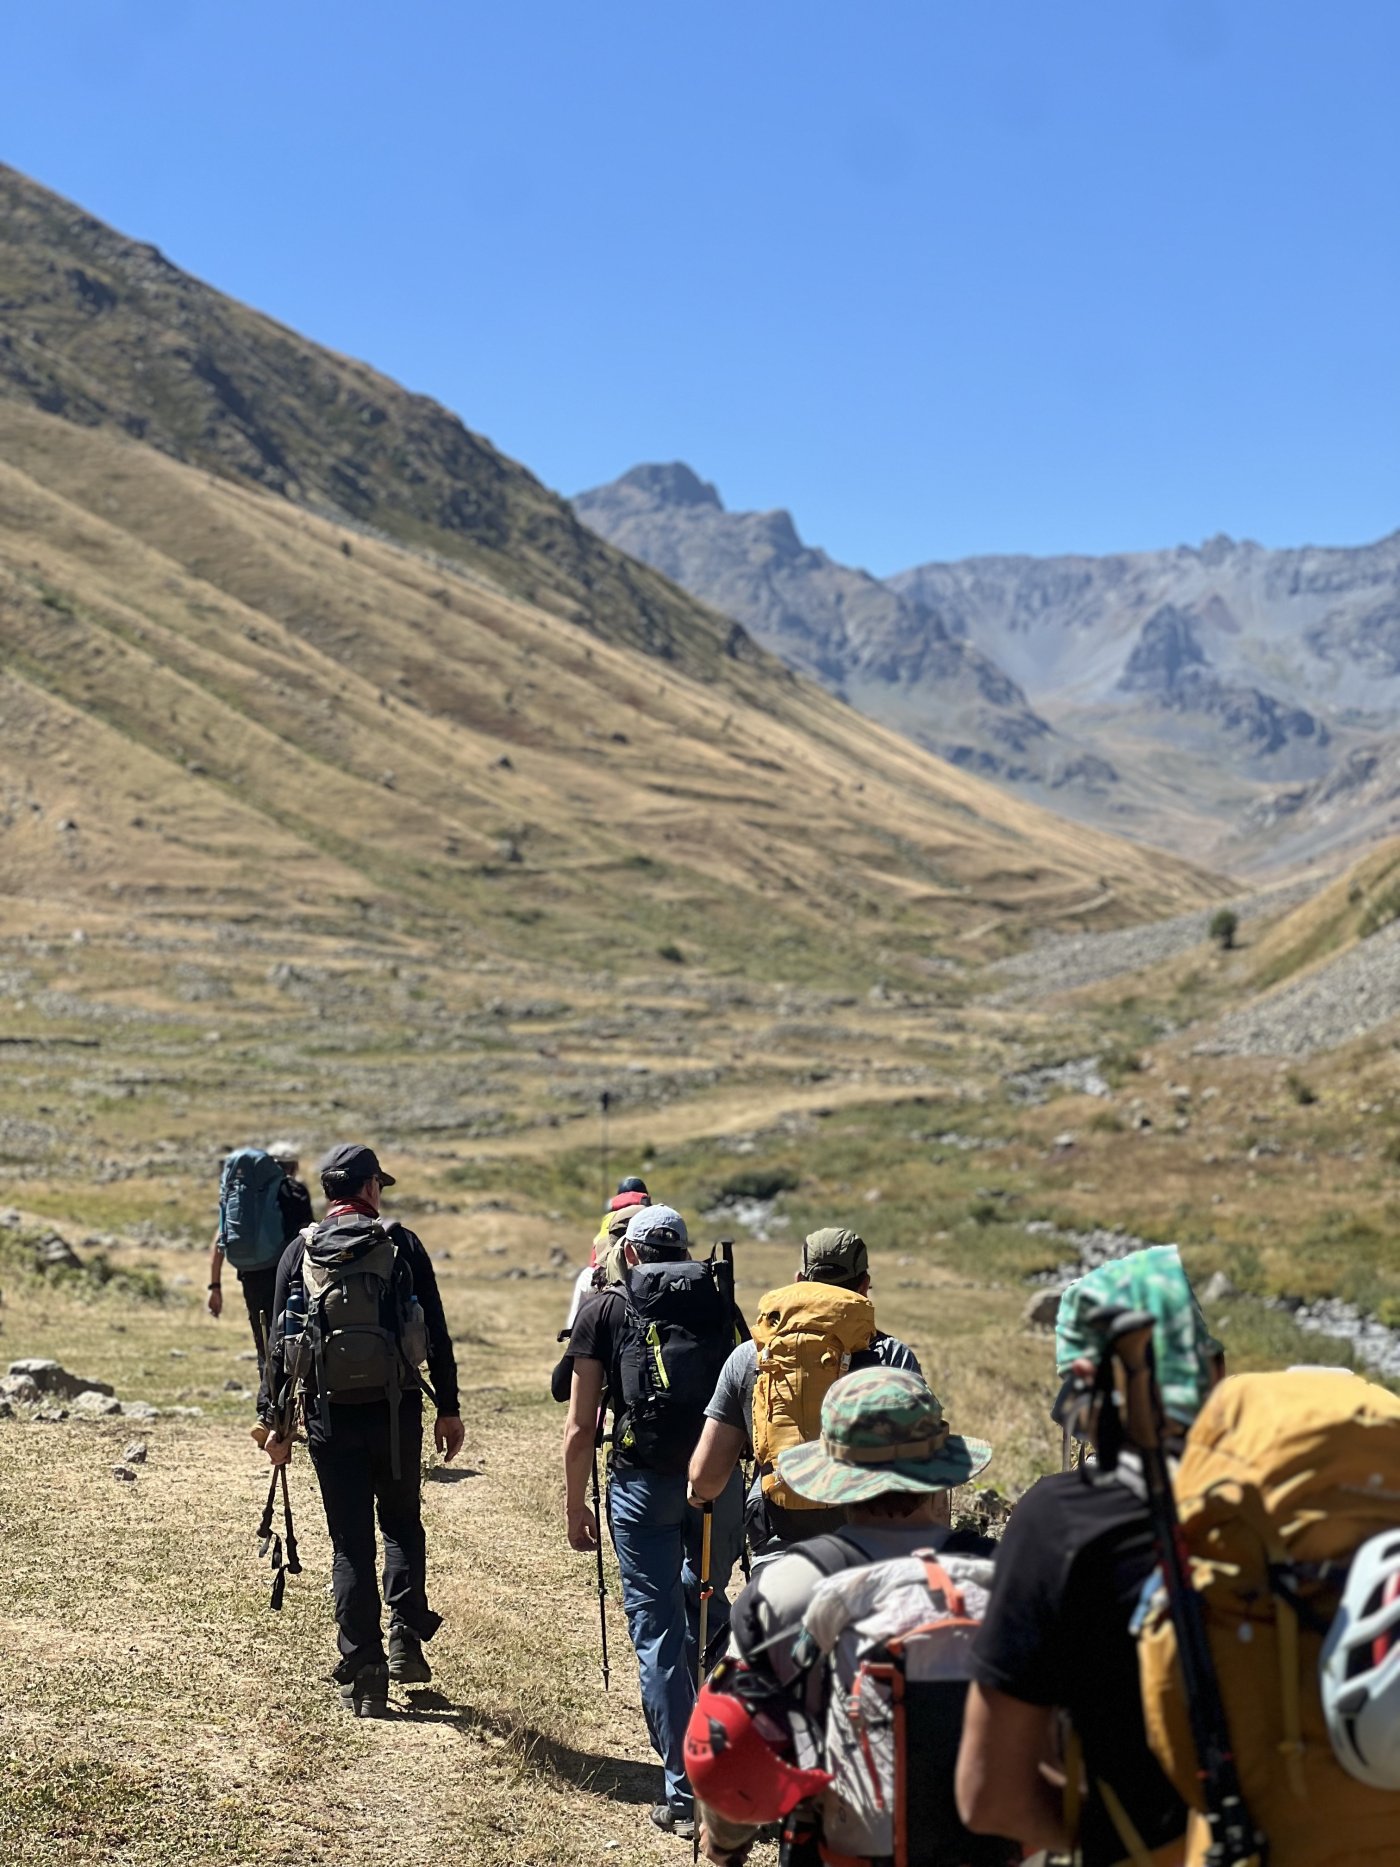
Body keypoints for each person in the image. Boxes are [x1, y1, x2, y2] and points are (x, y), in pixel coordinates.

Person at [956, 1244, 1219, 1866]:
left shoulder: (1058, 1521)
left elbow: (989, 1795)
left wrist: (1107, 1841)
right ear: (1212, 1368)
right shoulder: (1290, 1498)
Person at [687, 1365, 996, 1867]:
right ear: (939, 1474)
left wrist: (725, 1840)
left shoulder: (790, 1588)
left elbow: (730, 1742)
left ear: (834, 1478)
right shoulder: (1008, 1580)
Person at [258, 1143, 464, 1718]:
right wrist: (448, 1407)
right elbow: (436, 1330)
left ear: (330, 1193)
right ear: (371, 1188)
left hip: (328, 1415)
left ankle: (366, 1673)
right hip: (396, 1411)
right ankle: (405, 1638)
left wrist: (273, 1420)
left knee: (350, 1543)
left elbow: (278, 1344)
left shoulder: (301, 1249)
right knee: (400, 1523)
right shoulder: (401, 1244)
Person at [563, 1203, 745, 1840]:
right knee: (707, 1603)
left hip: (641, 1484)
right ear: (687, 1250)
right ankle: (727, 1750)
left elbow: (581, 1425)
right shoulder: (719, 1301)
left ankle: (684, 1792)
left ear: (631, 1252)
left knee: (659, 1632)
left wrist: (575, 1504)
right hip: (716, 1482)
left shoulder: (605, 1309)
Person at [688, 1227, 923, 1554]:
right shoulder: (893, 1358)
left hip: (778, 1537)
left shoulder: (752, 1356)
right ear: (864, 1286)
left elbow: (706, 1478)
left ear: (799, 1280)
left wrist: (699, 1493)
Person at [207, 1142, 315, 1371]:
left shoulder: (244, 1195)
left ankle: (267, 1387)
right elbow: (307, 1236)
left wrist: (215, 1286)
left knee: (263, 1339)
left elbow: (220, 1239)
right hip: (287, 1276)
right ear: (294, 1166)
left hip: (251, 1275)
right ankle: (292, 1387)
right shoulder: (295, 1191)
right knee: (293, 1336)